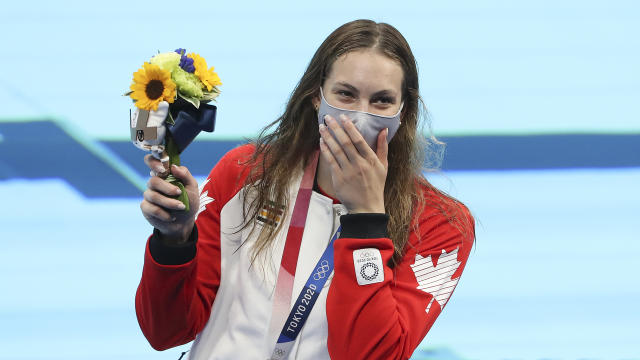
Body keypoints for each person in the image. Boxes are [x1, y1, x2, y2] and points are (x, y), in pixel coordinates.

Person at [136, 19, 475, 360]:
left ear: (405, 112)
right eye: (345, 94)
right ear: (316, 96)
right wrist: (175, 242)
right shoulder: (246, 172)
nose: (359, 117)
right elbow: (165, 331)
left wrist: (366, 221)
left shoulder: (439, 222)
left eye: (382, 101)